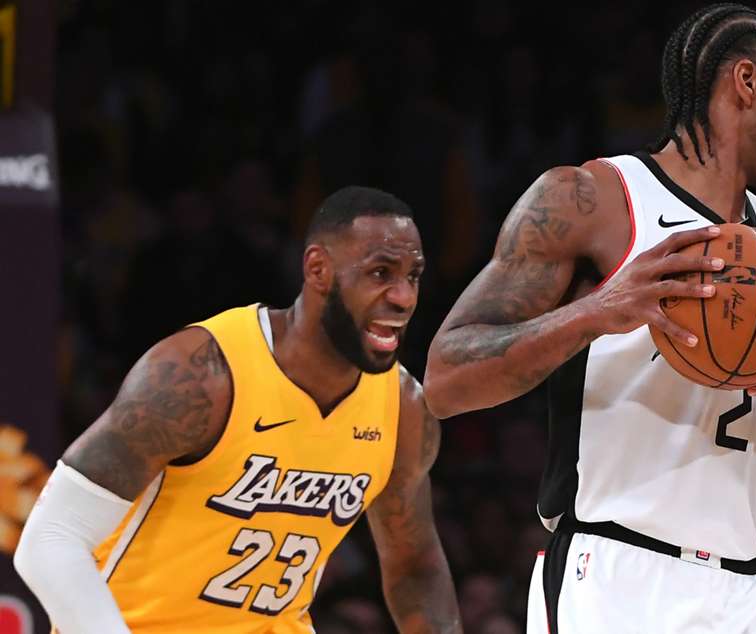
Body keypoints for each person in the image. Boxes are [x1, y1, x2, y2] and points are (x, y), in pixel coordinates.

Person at [424, 4, 756, 633]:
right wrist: (598, 311)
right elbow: (444, 380)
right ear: (746, 82)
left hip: (751, 595)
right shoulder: (592, 200)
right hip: (616, 577)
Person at [15, 186, 462, 634]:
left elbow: (415, 569)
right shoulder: (199, 377)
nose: (404, 297)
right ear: (318, 269)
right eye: (381, 273)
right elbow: (51, 538)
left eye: (413, 276)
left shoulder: (403, 408)